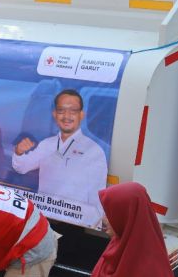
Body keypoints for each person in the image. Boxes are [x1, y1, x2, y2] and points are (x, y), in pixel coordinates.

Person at [12, 89, 108, 226]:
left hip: (76, 223)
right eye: (61, 111)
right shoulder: (46, 144)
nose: (66, 116)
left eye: (73, 111)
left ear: (81, 115)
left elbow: (97, 197)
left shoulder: (94, 151)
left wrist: (94, 225)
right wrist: (19, 152)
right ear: (55, 114)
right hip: (43, 218)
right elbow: (21, 167)